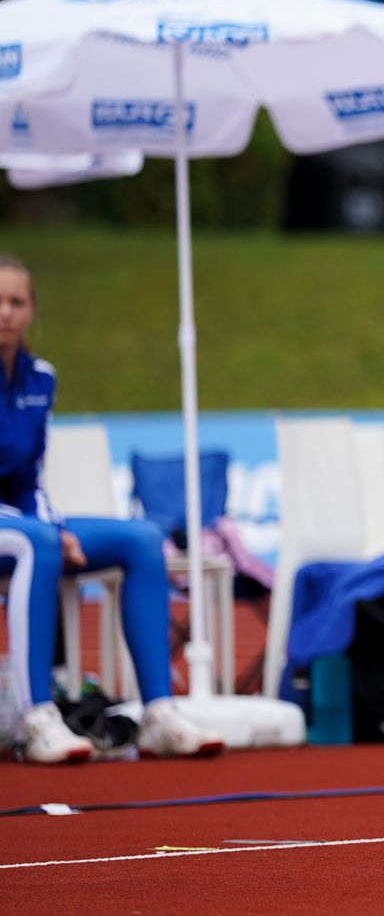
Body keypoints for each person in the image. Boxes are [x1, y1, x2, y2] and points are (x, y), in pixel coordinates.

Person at [0, 255, 224, 763]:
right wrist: (42, 530)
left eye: (16, 302)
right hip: (17, 530)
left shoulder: (40, 378)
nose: (5, 313)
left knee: (141, 538)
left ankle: (159, 714)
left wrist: (52, 524)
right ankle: (36, 718)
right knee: (38, 541)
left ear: (32, 309)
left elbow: (30, 475)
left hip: (21, 523)